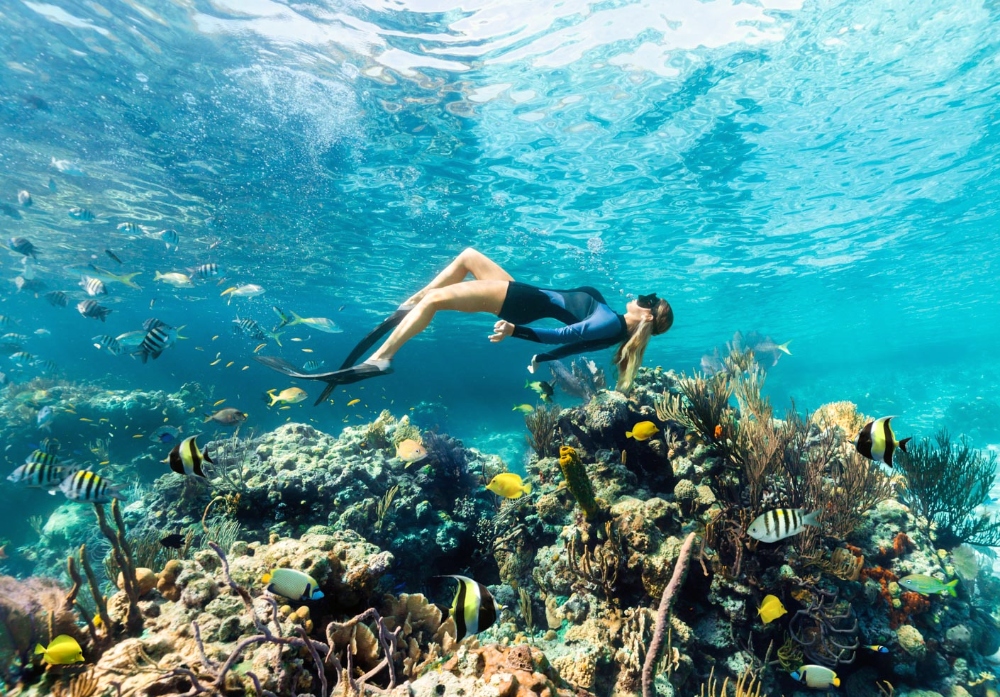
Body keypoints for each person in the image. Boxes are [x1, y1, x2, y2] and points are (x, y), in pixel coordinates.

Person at [255, 248, 673, 405]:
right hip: (522, 294)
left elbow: (564, 335)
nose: (641, 296)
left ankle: (382, 358)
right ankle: (409, 305)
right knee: (469, 257)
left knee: (437, 300)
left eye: (649, 300)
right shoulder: (614, 330)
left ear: (648, 316)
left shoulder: (609, 321)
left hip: (519, 302)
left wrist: (518, 333)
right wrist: (541, 356)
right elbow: (571, 347)